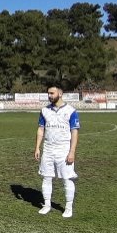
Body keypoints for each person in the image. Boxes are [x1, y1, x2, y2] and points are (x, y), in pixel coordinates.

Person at [34, 87, 80, 218]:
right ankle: (47, 205)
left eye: (51, 93)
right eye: (48, 93)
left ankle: (68, 207)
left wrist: (72, 152)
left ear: (60, 94)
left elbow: (74, 132)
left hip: (63, 149)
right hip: (48, 148)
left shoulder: (71, 111)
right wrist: (37, 147)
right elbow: (40, 130)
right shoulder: (44, 110)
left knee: (67, 178)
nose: (49, 95)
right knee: (46, 177)